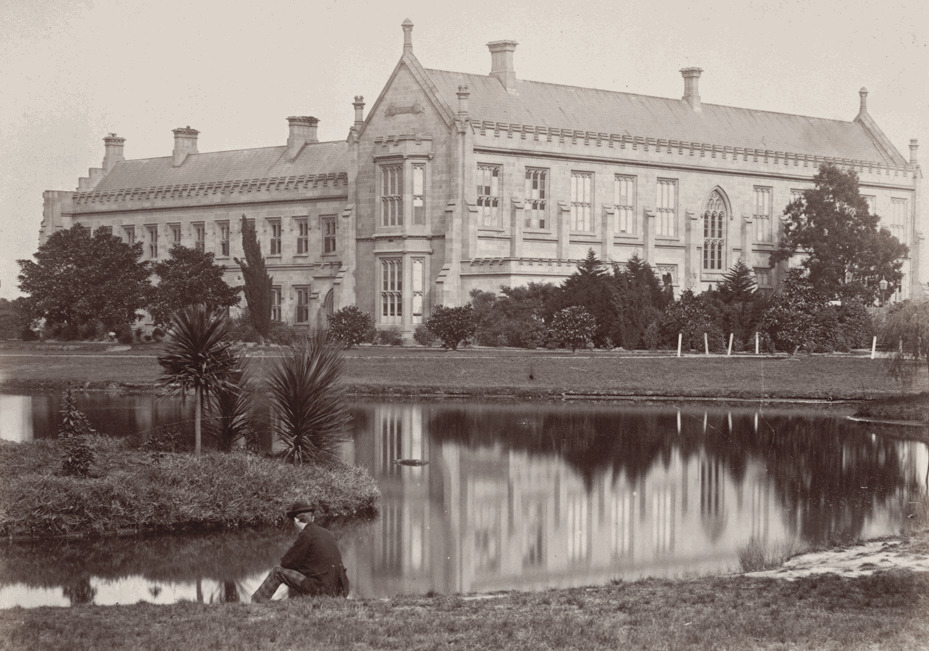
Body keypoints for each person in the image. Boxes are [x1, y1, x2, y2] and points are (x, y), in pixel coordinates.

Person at [251, 500, 349, 602]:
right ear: (313, 518)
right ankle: (300, 600)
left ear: (296, 521)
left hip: (322, 589)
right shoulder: (328, 534)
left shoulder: (306, 535)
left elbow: (286, 563)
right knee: (302, 575)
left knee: (277, 571)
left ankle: (256, 602)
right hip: (339, 590)